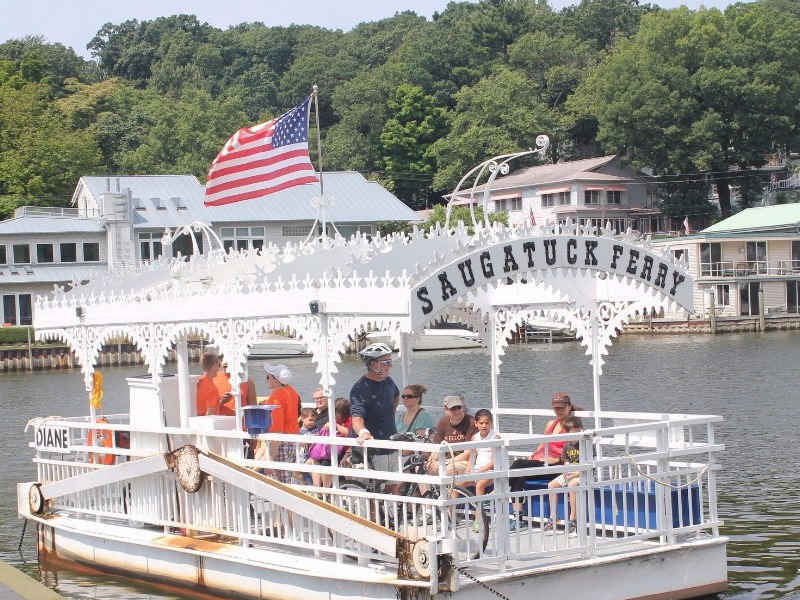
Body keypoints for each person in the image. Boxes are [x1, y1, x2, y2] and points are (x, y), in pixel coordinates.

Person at [508, 391, 582, 529]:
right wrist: (533, 455)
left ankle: (496, 492)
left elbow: (574, 448)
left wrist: (558, 458)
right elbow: (543, 444)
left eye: (562, 407)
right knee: (519, 475)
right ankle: (518, 518)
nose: (559, 411)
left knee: (518, 464)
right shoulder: (550, 424)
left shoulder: (572, 426)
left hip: (557, 465)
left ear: (569, 407)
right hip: (541, 461)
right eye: (556, 408)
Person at [350, 342, 401, 493]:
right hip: (375, 449)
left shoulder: (388, 381)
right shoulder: (360, 388)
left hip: (390, 444)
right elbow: (356, 418)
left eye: (390, 361)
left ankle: (391, 517)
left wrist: (388, 414)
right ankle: (373, 517)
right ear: (373, 364)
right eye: (386, 362)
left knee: (393, 486)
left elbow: (396, 396)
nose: (390, 365)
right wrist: (363, 432)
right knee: (375, 491)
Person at [258, 363, 301, 484]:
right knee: (288, 480)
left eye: (268, 377)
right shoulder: (291, 390)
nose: (266, 379)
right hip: (293, 440)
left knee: (279, 485)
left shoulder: (275, 397)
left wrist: (270, 457)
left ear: (276, 381)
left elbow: (277, 431)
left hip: (281, 444)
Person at [545, 415, 586, 534]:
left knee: (572, 484)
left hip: (583, 473)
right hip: (571, 472)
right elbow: (566, 461)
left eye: (579, 432)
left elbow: (590, 465)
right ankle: (553, 516)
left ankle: (573, 518)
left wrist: (576, 474)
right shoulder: (567, 446)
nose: (577, 435)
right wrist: (566, 471)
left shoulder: (586, 444)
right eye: (574, 433)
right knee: (551, 485)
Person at [426, 393, 477, 476]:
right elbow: (436, 448)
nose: (457, 411)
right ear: (446, 410)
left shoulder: (471, 422)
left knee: (449, 469)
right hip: (447, 458)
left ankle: (448, 489)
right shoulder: (443, 421)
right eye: (453, 408)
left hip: (465, 461)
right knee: (421, 468)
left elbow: (468, 454)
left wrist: (444, 463)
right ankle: (428, 489)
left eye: (459, 407)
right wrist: (430, 462)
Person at [464, 408, 501, 498]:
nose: (484, 426)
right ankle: (450, 511)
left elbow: (493, 462)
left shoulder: (495, 438)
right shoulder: (474, 437)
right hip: (478, 469)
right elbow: (472, 457)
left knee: (480, 485)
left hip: (492, 471)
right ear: (476, 424)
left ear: (491, 423)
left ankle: (479, 511)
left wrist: (479, 472)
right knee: (457, 484)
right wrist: (467, 472)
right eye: (481, 423)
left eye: (487, 423)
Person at [196, 352, 231, 416]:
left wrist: (221, 401)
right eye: (219, 365)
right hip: (207, 424)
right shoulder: (211, 388)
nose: (219, 368)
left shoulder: (199, 381)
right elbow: (210, 416)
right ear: (214, 366)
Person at [293, 407, 318, 485]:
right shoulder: (298, 431)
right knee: (296, 471)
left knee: (312, 465)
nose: (312, 422)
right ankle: (303, 485)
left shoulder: (315, 431)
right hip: (301, 458)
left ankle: (315, 484)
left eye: (314, 420)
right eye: (310, 420)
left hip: (310, 457)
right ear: (303, 418)